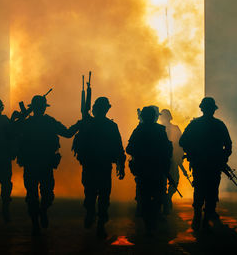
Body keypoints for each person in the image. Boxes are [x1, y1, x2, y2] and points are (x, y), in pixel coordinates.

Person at [16, 95, 78, 236]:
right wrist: (79, 124)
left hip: (35, 165)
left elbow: (10, 132)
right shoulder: (47, 122)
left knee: (37, 195)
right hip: (42, 165)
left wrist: (21, 118)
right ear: (42, 107)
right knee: (44, 195)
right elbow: (68, 133)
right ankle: (37, 220)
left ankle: (39, 216)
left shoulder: (28, 123)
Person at [74, 97, 126, 238]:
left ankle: (96, 219)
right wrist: (121, 165)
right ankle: (98, 222)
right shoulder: (109, 126)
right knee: (101, 196)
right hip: (100, 166)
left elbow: (118, 148)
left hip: (94, 166)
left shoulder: (90, 123)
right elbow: (119, 148)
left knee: (93, 195)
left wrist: (121, 165)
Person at [179, 97, 232, 232]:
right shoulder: (219, 125)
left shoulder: (195, 124)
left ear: (202, 109)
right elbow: (228, 145)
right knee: (211, 191)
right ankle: (205, 219)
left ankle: (198, 216)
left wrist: (192, 152)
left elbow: (183, 141)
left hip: (200, 164)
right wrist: (222, 158)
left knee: (200, 189)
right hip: (212, 165)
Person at [126, 106, 172, 235]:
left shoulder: (139, 130)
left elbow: (129, 149)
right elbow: (168, 150)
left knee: (145, 198)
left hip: (143, 170)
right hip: (157, 170)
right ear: (154, 116)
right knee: (157, 197)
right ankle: (153, 223)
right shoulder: (160, 130)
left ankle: (148, 225)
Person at [159, 109, 184, 214]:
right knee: (164, 182)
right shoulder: (159, 129)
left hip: (172, 159)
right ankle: (166, 200)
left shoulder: (173, 129)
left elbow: (181, 143)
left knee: (174, 181)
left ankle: (167, 198)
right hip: (162, 160)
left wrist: (179, 157)